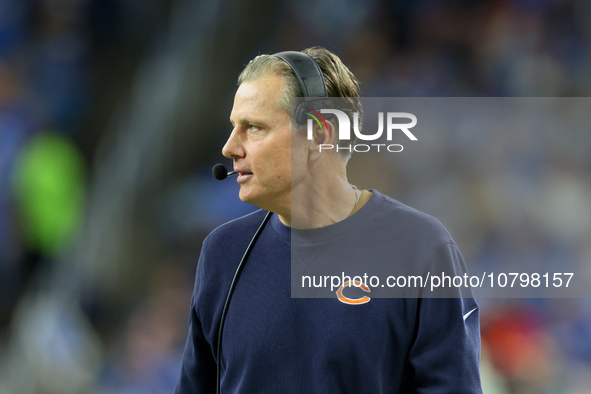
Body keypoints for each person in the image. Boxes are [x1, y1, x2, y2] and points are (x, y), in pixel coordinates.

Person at [175, 46, 482, 393]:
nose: (230, 147)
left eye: (254, 127)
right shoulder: (222, 252)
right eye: (234, 127)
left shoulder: (421, 248)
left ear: (319, 134)